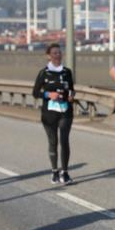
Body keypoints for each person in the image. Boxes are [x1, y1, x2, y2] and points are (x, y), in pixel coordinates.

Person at [32, 43, 75, 184]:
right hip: (49, 113)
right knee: (53, 142)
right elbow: (35, 92)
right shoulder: (43, 73)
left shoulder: (67, 72)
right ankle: (55, 172)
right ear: (48, 56)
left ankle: (65, 172)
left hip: (65, 111)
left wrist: (71, 95)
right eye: (54, 53)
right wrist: (48, 94)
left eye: (59, 52)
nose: (58, 55)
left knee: (64, 141)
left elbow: (71, 89)